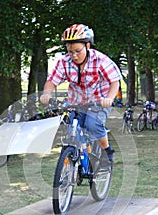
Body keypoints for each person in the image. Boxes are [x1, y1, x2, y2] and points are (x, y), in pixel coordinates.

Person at [40, 23, 122, 161]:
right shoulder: (64, 62)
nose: (74, 55)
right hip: (75, 102)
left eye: (78, 51)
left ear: (88, 46)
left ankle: (107, 151)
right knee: (71, 127)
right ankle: (79, 158)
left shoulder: (100, 60)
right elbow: (52, 81)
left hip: (98, 102)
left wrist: (109, 98)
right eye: (70, 51)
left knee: (92, 124)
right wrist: (47, 93)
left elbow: (115, 81)